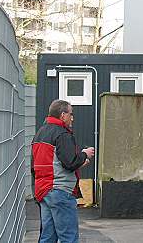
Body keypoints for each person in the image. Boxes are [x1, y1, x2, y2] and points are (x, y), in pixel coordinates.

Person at [32, 100, 94, 243]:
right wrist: (84, 154)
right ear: (63, 115)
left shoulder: (39, 133)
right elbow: (70, 162)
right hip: (60, 191)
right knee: (69, 238)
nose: (72, 118)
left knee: (48, 237)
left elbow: (41, 165)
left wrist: (78, 162)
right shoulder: (62, 134)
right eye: (70, 114)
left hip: (43, 191)